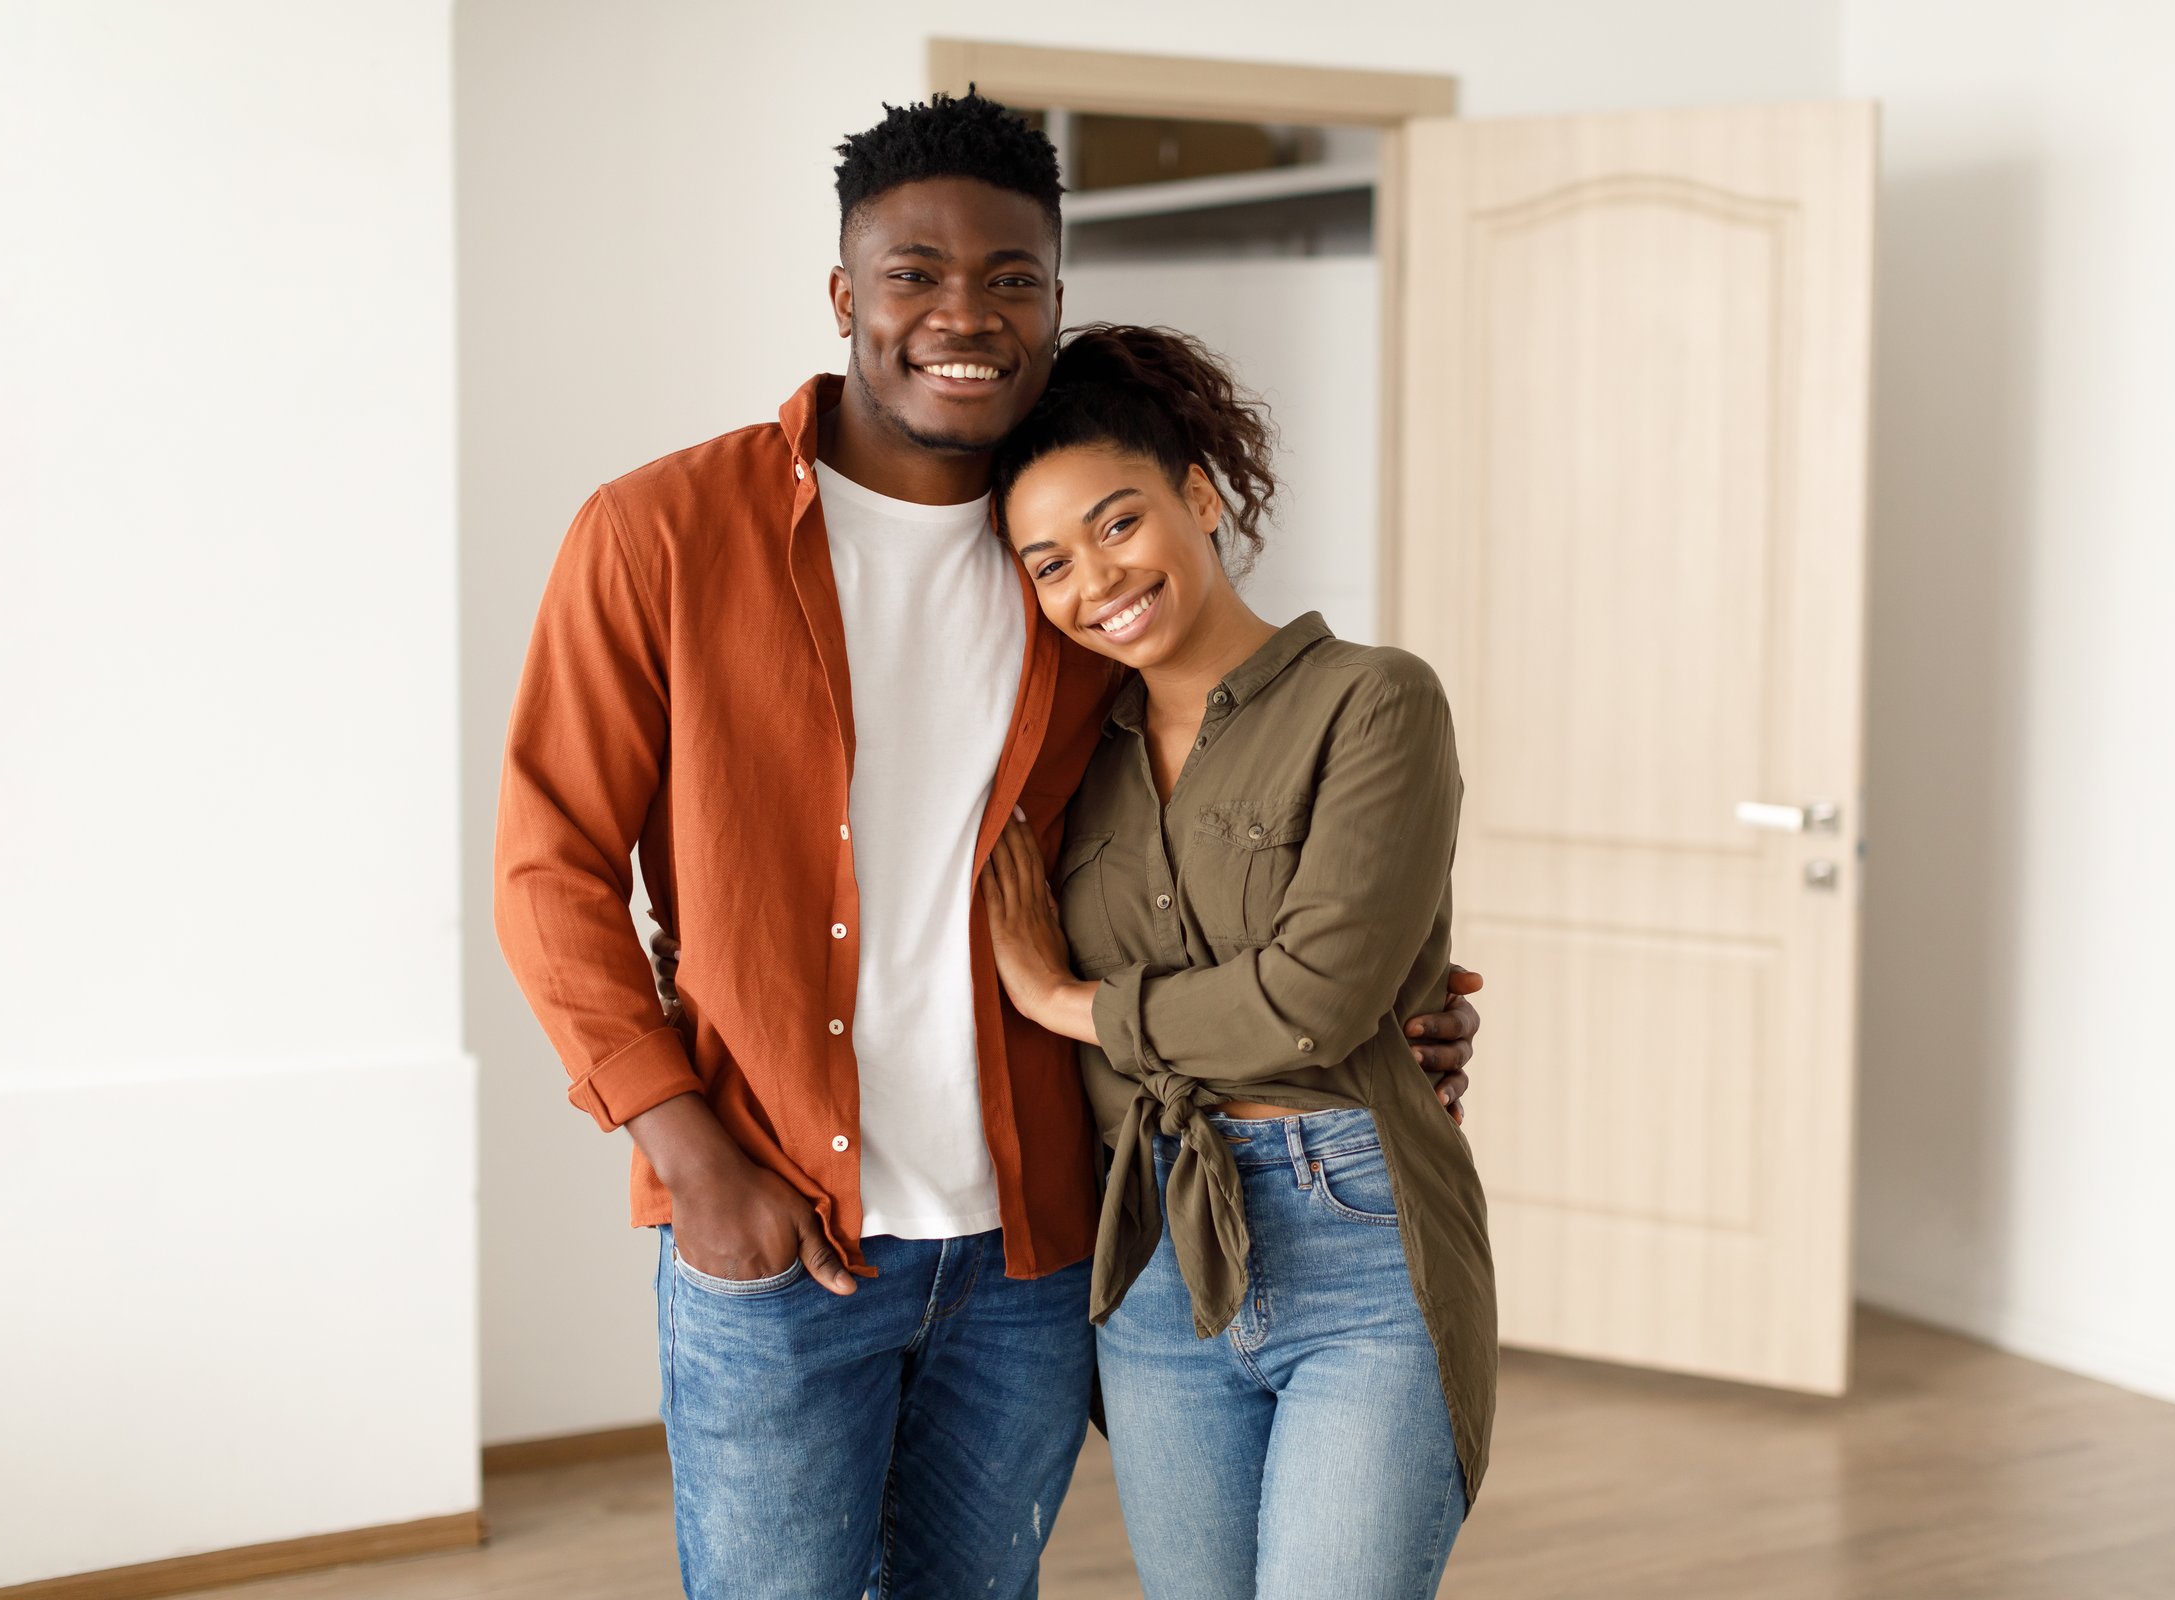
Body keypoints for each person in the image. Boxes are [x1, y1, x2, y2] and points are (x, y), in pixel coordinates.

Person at [491, 91, 1481, 1599]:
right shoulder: (660, 536)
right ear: (845, 295)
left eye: (1012, 278)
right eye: (916, 274)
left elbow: (1213, 858)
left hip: (1041, 1253)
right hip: (782, 1233)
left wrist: (1382, 1013)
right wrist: (690, 1159)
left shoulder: (1084, 583)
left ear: (1058, 301)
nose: (966, 314)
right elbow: (547, 871)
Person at [977, 324, 1497, 1600]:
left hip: (1357, 1241)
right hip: (1154, 1251)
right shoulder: (1061, 764)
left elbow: (1314, 1000)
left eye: (1118, 523)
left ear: (1198, 496)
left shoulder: (1375, 702)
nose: (1096, 579)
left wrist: (1065, 1001)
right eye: (1048, 563)